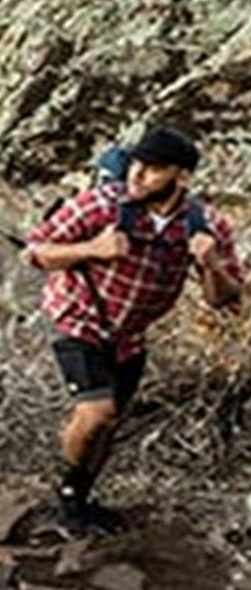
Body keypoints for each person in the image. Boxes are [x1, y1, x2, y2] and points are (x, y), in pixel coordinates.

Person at [24, 124, 243, 534]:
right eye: (137, 163)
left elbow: (225, 300)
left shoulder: (204, 226)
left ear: (181, 176)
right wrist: (92, 249)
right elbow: (35, 252)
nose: (137, 175)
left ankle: (82, 500)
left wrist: (211, 264)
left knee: (110, 424)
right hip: (76, 317)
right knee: (96, 414)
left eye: (153, 169)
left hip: (129, 337)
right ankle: (67, 501)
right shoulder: (101, 206)